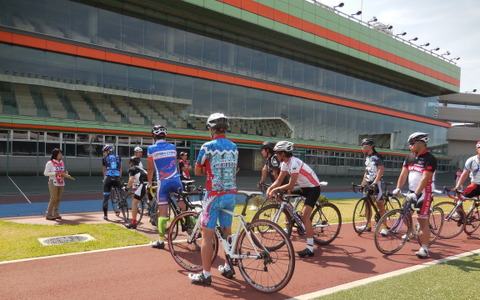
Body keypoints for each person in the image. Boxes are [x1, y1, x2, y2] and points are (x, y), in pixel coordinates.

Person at [188, 113, 238, 286]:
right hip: (231, 194)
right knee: (227, 232)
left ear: (211, 129)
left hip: (213, 195)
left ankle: (206, 274)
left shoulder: (207, 146)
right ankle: (228, 266)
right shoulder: (234, 146)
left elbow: (197, 170)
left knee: (207, 236)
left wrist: (208, 173)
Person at [266, 141, 322, 258]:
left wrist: (275, 190)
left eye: (277, 153)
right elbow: (279, 181)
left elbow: (290, 185)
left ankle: (310, 249)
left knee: (305, 216)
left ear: (283, 153)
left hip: (313, 188)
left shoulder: (294, 163)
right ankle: (292, 216)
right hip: (303, 187)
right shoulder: (284, 163)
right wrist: (271, 188)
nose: (275, 155)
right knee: (284, 195)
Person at [393, 132, 437, 258]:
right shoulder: (409, 157)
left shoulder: (430, 159)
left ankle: (424, 248)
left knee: (422, 220)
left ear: (421, 143)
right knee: (404, 215)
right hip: (412, 191)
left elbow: (425, 178)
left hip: (425, 192)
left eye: (412, 144)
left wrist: (417, 194)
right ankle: (412, 232)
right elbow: (403, 174)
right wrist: (398, 188)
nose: (410, 146)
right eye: (410, 144)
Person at [147, 125, 185, 249]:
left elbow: (150, 168)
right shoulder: (173, 147)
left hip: (163, 183)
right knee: (183, 206)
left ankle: (160, 241)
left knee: (162, 213)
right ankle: (192, 229)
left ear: (154, 136)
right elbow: (174, 164)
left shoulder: (151, 149)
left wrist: (148, 183)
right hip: (176, 180)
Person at [356, 138, 388, 235]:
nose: (362, 148)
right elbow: (366, 172)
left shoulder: (377, 157)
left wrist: (375, 182)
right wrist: (362, 184)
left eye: (363, 145)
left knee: (380, 204)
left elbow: (380, 170)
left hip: (377, 183)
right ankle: (368, 225)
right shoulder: (367, 157)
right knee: (367, 203)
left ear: (369, 146)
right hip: (368, 182)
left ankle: (385, 227)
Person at [124, 156, 148, 229]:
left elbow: (131, 180)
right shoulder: (143, 169)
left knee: (134, 203)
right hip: (151, 184)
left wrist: (127, 188)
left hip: (143, 185)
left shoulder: (132, 169)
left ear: (131, 163)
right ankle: (154, 217)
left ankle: (133, 223)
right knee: (151, 202)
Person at [43, 148, 66, 220]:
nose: (61, 155)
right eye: (59, 153)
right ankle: (48, 214)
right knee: (53, 198)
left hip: (61, 182)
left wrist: (65, 174)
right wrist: (54, 173)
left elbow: (62, 171)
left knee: (58, 198)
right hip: (53, 182)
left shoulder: (62, 162)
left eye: (61, 153)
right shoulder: (50, 163)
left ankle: (56, 213)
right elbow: (45, 173)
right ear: (55, 154)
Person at [102, 144, 122, 221]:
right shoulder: (118, 157)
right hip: (117, 177)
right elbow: (120, 168)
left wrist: (104, 179)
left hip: (108, 178)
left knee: (105, 197)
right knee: (120, 191)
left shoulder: (104, 158)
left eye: (104, 151)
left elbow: (104, 170)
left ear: (107, 151)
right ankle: (121, 203)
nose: (103, 153)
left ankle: (105, 215)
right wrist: (119, 177)